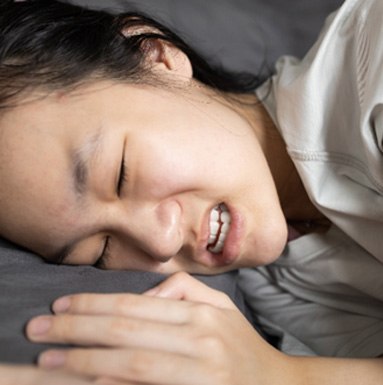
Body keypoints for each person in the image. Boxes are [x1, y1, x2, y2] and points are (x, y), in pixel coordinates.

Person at [0, 0, 382, 384]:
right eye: (101, 250)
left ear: (157, 56)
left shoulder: (371, 60)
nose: (161, 245)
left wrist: (287, 376)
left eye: (121, 175)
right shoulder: (273, 290)